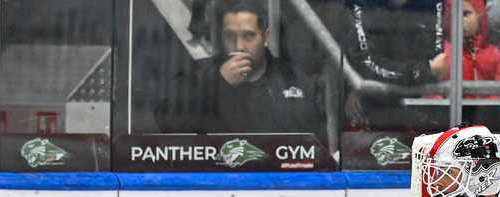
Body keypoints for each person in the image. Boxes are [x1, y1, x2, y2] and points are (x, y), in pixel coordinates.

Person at [155, 0, 326, 143]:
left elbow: (319, 142)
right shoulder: (197, 74)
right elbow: (167, 122)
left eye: (248, 36)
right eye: (230, 36)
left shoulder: (291, 79)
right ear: (221, 37)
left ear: (265, 38)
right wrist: (218, 82)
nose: (238, 47)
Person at [342, 0, 447, 129]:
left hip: (420, 111)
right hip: (372, 108)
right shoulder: (359, 3)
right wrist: (421, 71)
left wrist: (424, 71)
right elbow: (366, 62)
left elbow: (435, 60)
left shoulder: (431, 3)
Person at [438, 0, 500, 92]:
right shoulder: (443, 53)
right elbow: (432, 93)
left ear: (480, 16)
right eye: (453, 15)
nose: (460, 20)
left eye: (465, 14)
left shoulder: (495, 55)